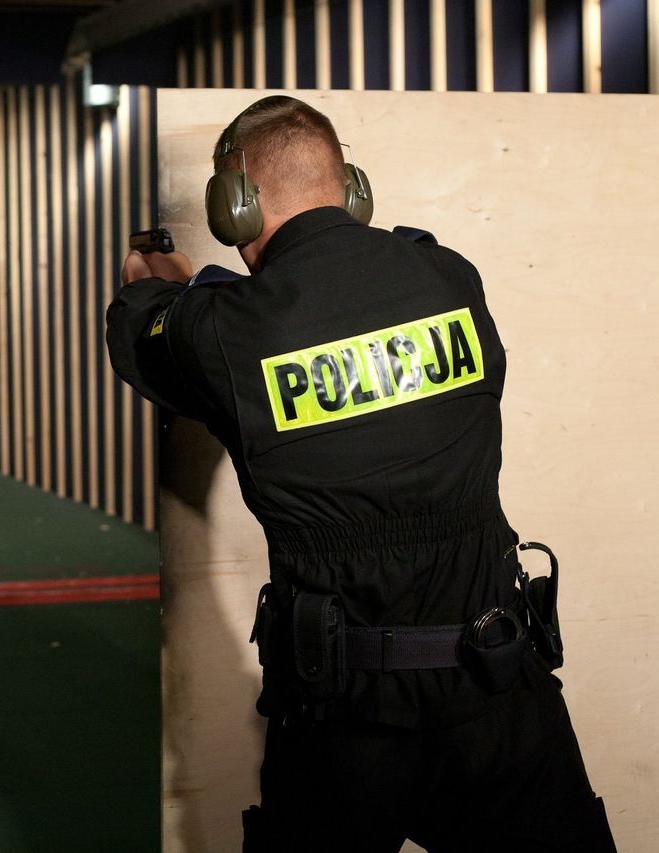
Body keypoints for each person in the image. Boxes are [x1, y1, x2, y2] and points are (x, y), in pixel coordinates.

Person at [106, 96, 615, 852]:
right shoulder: (449, 277)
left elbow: (139, 340)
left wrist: (161, 290)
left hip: (343, 719)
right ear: (351, 187)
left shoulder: (227, 330)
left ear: (236, 203)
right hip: (498, 687)